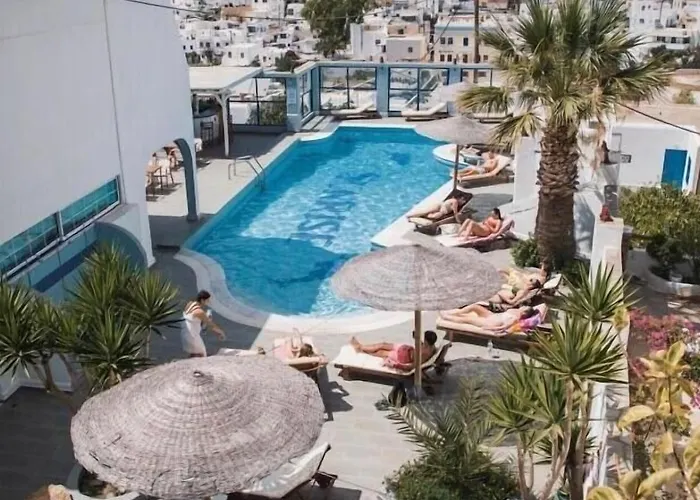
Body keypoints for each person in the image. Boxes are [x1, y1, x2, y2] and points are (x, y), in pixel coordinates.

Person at [181, 290, 225, 357]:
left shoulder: (190, 304)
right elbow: (211, 325)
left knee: (194, 354)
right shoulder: (200, 312)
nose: (208, 302)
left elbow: (192, 319)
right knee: (201, 354)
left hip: (185, 334)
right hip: (193, 336)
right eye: (207, 300)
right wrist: (221, 332)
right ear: (202, 300)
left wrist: (205, 318)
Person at [350, 330, 438, 363]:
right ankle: (361, 347)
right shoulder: (431, 346)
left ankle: (361, 349)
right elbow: (420, 346)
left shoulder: (425, 354)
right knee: (383, 344)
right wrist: (416, 338)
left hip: (403, 356)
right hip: (406, 349)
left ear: (427, 341)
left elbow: (414, 366)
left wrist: (396, 366)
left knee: (382, 352)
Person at [441, 305, 538, 331]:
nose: (523, 306)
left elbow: (503, 327)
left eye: (524, 307)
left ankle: (447, 317)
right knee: (474, 307)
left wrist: (489, 328)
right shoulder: (515, 311)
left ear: (524, 312)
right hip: (490, 315)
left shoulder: (515, 318)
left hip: (489, 322)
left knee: (467, 319)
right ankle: (456, 312)